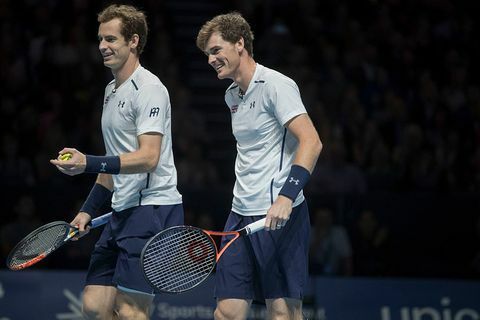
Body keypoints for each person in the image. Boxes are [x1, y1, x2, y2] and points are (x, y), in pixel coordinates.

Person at [50, 4, 183, 319]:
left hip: (152, 209)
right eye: (100, 39)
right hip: (120, 212)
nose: (102, 47)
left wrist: (88, 163)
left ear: (133, 41)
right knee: (95, 308)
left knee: (130, 310)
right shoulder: (111, 91)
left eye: (111, 39)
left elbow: (148, 157)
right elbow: (113, 167)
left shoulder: (150, 89)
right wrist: (86, 211)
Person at [196, 12, 322, 320]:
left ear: (240, 43)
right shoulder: (231, 96)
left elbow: (312, 142)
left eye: (216, 50)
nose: (211, 59)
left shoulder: (276, 84)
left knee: (283, 313)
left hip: (278, 215)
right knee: (226, 312)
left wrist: (286, 197)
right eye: (207, 54)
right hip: (240, 215)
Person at [309, 208, 353, 276]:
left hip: (335, 276)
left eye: (326, 218)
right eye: (321, 218)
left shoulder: (339, 233)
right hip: (311, 276)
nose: (324, 221)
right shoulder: (308, 232)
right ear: (315, 218)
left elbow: (347, 259)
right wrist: (318, 239)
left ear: (332, 219)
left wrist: (347, 278)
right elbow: (305, 260)